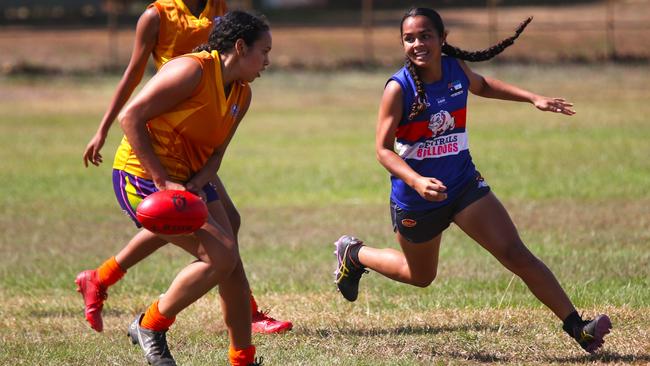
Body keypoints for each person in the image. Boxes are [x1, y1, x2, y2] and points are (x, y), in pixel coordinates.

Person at [333, 7, 611, 354]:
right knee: (420, 276)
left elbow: (483, 85)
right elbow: (382, 150)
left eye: (425, 36)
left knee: (514, 252)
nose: (417, 43)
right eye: (409, 38)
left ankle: (578, 327)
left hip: (464, 185)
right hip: (418, 199)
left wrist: (532, 98)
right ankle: (355, 254)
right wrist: (418, 182)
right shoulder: (398, 88)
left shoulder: (455, 69)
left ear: (443, 37)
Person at [77, 0, 291, 335]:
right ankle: (158, 319)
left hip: (195, 149)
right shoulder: (160, 19)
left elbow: (217, 153)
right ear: (240, 47)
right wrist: (103, 128)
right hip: (159, 151)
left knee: (225, 230)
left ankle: (102, 277)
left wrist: (197, 182)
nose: (268, 61)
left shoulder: (224, 31)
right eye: (264, 52)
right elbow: (133, 79)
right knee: (216, 247)